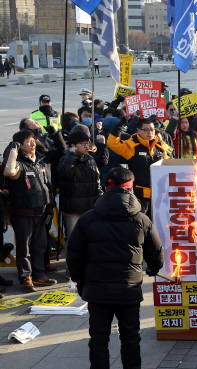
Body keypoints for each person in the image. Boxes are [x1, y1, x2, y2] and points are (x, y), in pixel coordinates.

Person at [67, 167, 164, 369]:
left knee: (98, 339)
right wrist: (153, 270)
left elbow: (74, 255)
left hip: (97, 290)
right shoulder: (141, 219)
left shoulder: (88, 218)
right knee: (130, 338)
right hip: (129, 291)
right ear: (131, 188)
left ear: (106, 187)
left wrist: (80, 282)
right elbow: (156, 252)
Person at [3, 130, 57, 292]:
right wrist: (13, 150)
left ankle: (39, 275)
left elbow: (47, 185)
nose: (33, 143)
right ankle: (25, 278)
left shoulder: (40, 162)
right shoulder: (17, 162)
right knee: (24, 248)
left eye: (33, 140)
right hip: (23, 214)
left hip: (41, 212)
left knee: (40, 246)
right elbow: (8, 172)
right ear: (20, 146)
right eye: (28, 141)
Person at [107, 118, 171, 216]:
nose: (149, 132)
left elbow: (169, 166)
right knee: (140, 223)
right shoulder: (132, 146)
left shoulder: (161, 147)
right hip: (140, 194)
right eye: (146, 130)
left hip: (160, 194)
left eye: (152, 130)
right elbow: (113, 144)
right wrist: (120, 125)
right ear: (139, 131)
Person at [58, 130, 104, 243]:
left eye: (87, 143)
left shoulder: (90, 159)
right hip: (73, 209)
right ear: (73, 145)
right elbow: (65, 174)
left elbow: (97, 182)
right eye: (82, 143)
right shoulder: (65, 159)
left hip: (91, 207)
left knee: (92, 239)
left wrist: (101, 199)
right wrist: (72, 156)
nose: (86, 146)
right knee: (74, 240)